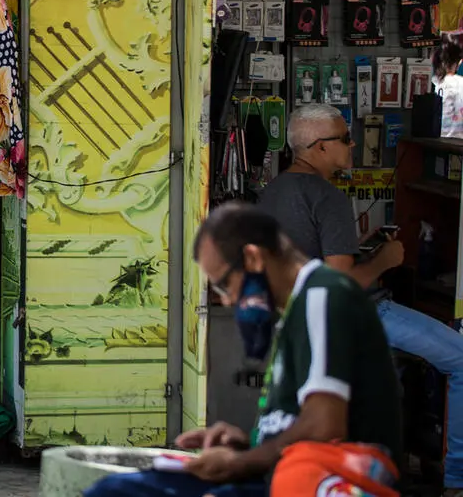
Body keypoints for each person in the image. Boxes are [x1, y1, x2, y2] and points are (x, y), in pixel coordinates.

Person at [87, 203, 402, 497]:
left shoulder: (323, 295)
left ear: (253, 258)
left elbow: (324, 425)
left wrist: (240, 462)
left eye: (224, 284)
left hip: (324, 479)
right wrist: (244, 444)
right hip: (278, 475)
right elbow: (296, 426)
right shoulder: (296, 310)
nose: (226, 300)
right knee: (119, 488)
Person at [258, 102, 463, 495]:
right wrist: (385, 259)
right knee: (460, 358)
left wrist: (360, 248)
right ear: (319, 146)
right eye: (345, 139)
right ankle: (457, 479)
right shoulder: (328, 197)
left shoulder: (273, 192)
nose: (352, 145)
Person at [434, 36, 463, 138]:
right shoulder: (461, 83)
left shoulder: (434, 83)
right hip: (458, 141)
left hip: (435, 140)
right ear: (459, 61)